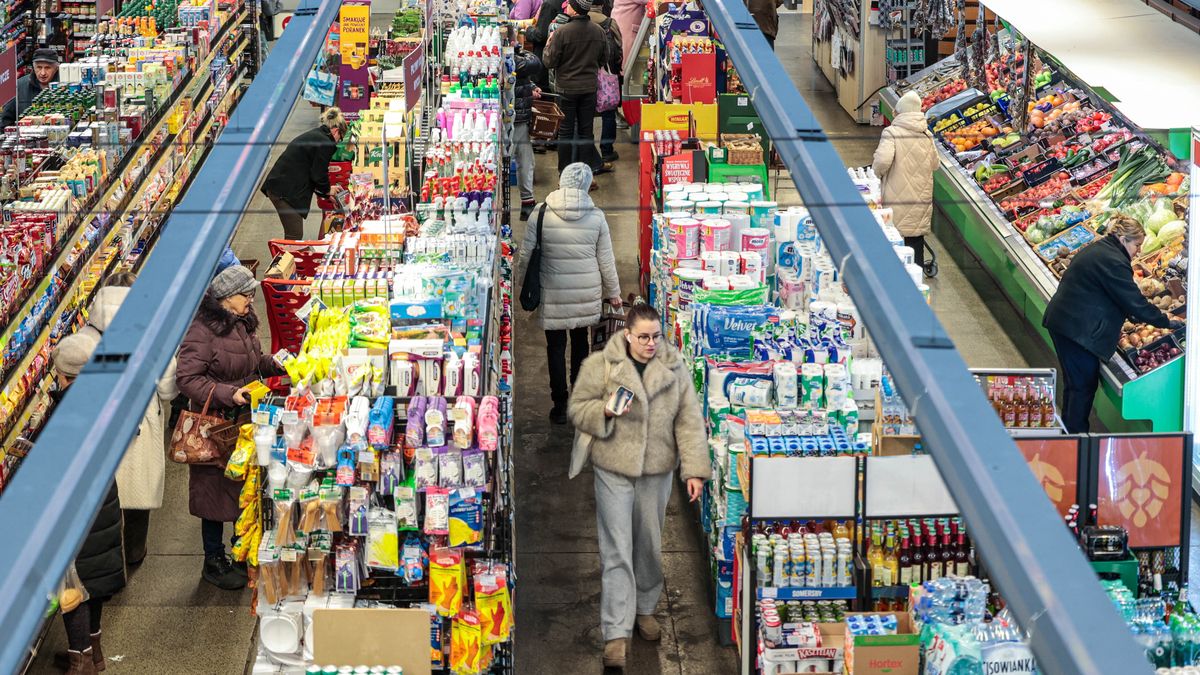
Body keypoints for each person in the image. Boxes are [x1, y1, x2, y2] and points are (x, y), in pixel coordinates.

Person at [567, 303, 709, 669]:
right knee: (616, 548)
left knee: (648, 542)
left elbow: (689, 421)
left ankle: (644, 608)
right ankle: (615, 633)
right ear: (627, 334)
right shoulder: (600, 366)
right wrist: (605, 411)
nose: (650, 344)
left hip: (656, 471)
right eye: (643, 337)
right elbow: (577, 408)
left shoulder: (674, 369)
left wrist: (693, 469)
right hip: (613, 467)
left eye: (655, 337)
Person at [177, 265, 283, 589]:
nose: (251, 299)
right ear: (226, 298)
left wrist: (274, 363)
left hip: (245, 423)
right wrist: (230, 393)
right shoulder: (202, 330)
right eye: (246, 294)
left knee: (242, 488)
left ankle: (241, 549)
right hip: (216, 428)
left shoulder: (243, 321)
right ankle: (213, 559)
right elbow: (187, 378)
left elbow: (252, 361)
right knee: (212, 494)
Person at [76, 273, 178, 567]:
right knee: (137, 493)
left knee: (104, 500)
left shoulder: (87, 336)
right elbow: (168, 388)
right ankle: (134, 552)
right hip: (139, 424)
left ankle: (106, 560)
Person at [1043, 215, 1181, 433]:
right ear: (1123, 239)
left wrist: (1136, 315)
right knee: (1081, 387)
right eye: (1137, 245)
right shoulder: (1114, 261)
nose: (1138, 251)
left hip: (1068, 323)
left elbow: (1116, 296)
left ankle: (1069, 435)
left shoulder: (1102, 250)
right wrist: (1168, 322)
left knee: (1076, 385)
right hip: (1076, 330)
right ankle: (1075, 440)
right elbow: (1133, 301)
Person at [516, 163, 620, 424]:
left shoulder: (540, 214)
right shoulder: (596, 217)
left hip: (553, 293)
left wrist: (519, 284)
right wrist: (614, 292)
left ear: (561, 182)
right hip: (586, 295)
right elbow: (606, 260)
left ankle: (559, 404)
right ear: (587, 185)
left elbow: (526, 255)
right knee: (581, 344)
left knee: (555, 347)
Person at [47, 332, 125, 675]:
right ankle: (94, 652)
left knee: (72, 588)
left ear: (66, 376)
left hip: (75, 514)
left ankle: (81, 661)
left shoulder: (68, 415)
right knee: (93, 581)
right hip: (104, 505)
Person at [872, 90, 939, 268]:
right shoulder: (927, 135)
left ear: (900, 112)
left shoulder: (891, 133)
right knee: (915, 239)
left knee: (892, 236)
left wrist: (875, 175)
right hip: (920, 198)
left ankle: (891, 273)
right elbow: (935, 164)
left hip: (897, 196)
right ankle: (916, 278)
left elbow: (882, 162)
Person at [259, 107, 348, 240]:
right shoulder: (325, 143)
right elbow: (319, 173)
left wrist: (326, 191)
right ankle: (286, 260)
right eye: (340, 138)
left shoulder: (318, 135)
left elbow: (313, 172)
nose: (338, 142)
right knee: (294, 234)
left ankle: (288, 259)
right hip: (284, 192)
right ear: (336, 131)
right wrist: (327, 190)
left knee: (294, 234)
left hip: (282, 186)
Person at [543, 0, 608, 174]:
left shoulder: (561, 32)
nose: (567, 6)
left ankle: (564, 175)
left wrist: (549, 44)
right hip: (589, 88)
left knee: (565, 133)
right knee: (586, 133)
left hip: (566, 89)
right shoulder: (599, 31)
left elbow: (549, 62)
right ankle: (587, 175)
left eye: (570, 4)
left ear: (575, 9)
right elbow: (604, 59)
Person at [513, 43, 544, 221]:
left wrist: (530, 87)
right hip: (515, 119)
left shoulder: (513, 60)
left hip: (518, 117)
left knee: (526, 159)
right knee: (523, 160)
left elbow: (520, 77)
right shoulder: (511, 59)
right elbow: (531, 65)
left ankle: (527, 201)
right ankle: (527, 201)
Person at [590, 0, 623, 163]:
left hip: (586, 75)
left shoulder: (579, 21)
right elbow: (618, 48)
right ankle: (607, 150)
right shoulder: (610, 23)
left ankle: (588, 151)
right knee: (608, 113)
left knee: (586, 114)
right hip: (607, 75)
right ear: (603, 5)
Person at [0, 49, 61, 128]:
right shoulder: (18, 86)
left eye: (47, 68)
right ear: (33, 67)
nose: (43, 73)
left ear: (56, 68)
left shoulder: (65, 86)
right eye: (39, 67)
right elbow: (6, 120)